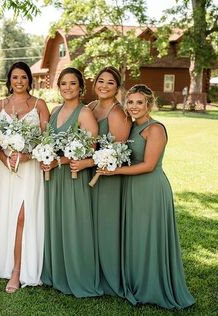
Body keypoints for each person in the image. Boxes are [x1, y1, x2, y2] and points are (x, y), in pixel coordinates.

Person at [97, 84, 195, 309]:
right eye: (130, 102)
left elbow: (149, 165)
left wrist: (114, 171)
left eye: (139, 102)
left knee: (149, 237)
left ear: (149, 104)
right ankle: (135, 282)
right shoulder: (130, 127)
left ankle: (153, 286)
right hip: (130, 187)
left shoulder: (155, 129)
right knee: (134, 236)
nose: (134, 107)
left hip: (150, 189)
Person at [0, 62, 49, 293]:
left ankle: (18, 271)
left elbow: (46, 141)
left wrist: (27, 155)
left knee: (23, 217)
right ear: (9, 80)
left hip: (30, 169)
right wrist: (6, 160)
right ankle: (6, 264)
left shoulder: (39, 105)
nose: (19, 81)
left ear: (29, 80)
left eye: (24, 77)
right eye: (15, 77)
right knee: (8, 217)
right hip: (6, 171)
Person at [40, 67, 100, 297]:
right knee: (56, 222)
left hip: (73, 176)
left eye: (72, 83)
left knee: (74, 225)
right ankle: (57, 273)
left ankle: (78, 276)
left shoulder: (84, 113)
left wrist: (59, 161)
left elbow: (91, 149)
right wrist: (45, 157)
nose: (67, 87)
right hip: (54, 177)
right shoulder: (55, 111)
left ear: (80, 87)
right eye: (63, 83)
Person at [88, 66, 131, 296]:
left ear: (117, 87)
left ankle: (109, 275)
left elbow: (120, 152)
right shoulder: (91, 107)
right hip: (88, 174)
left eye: (110, 83)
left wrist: (103, 163)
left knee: (106, 226)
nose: (104, 86)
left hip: (108, 178)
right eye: (100, 81)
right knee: (91, 225)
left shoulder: (117, 113)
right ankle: (92, 270)